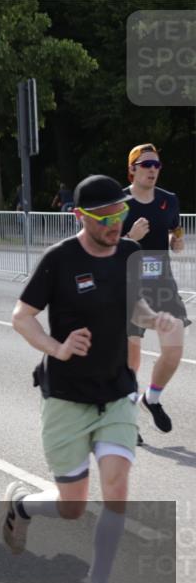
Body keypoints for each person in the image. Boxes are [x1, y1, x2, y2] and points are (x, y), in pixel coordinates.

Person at [4, 174, 181, 583]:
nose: (115, 224)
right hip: (66, 398)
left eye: (120, 214)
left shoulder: (130, 254)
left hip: (116, 391)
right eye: (105, 218)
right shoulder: (58, 260)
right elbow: (21, 318)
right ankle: (22, 506)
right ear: (81, 217)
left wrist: (155, 318)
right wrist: (57, 347)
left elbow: (134, 307)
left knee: (117, 487)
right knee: (73, 506)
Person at [121, 144, 190, 444]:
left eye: (157, 165)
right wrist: (128, 238)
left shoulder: (168, 200)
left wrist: (177, 242)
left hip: (161, 283)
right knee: (131, 357)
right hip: (126, 284)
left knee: (174, 349)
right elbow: (97, 248)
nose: (152, 169)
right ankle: (124, 419)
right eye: (146, 164)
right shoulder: (118, 203)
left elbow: (176, 229)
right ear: (132, 168)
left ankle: (152, 397)